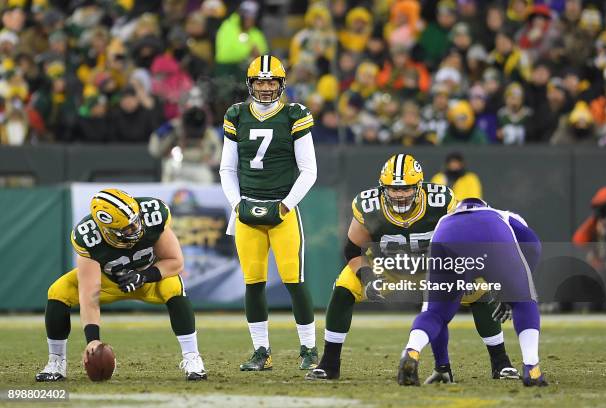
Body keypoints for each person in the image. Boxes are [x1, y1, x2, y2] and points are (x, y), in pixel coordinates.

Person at [306, 155, 518, 381]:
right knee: (344, 287)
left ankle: (501, 363)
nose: (400, 194)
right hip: (389, 268)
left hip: (435, 268)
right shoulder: (368, 206)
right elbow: (353, 251)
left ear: (419, 186)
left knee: (479, 290)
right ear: (382, 188)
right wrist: (368, 278)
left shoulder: (440, 201)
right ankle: (329, 364)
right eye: (393, 188)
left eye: (406, 188)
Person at [35, 189, 206, 382]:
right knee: (59, 292)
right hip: (107, 281)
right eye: (128, 228)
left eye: (136, 220)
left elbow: (175, 262)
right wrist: (93, 340)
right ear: (108, 230)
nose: (137, 227)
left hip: (147, 275)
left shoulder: (153, 213)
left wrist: (143, 276)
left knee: (174, 287)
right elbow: (89, 294)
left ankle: (192, 358)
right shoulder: (88, 237)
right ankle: (56, 362)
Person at [219, 55, 318, 371]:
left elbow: (309, 170)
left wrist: (287, 204)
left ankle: (309, 349)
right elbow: (227, 168)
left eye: (271, 81)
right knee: (253, 281)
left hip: (282, 207)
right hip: (247, 207)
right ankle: (261, 351)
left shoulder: (294, 115)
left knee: (294, 279)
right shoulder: (236, 115)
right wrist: (237, 204)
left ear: (281, 83)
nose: (265, 87)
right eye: (260, 81)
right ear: (250, 84)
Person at [397, 198, 547, 387]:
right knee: (525, 300)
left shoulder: (444, 220)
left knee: (435, 313)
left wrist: (442, 366)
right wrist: (514, 291)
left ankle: (412, 351)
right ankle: (532, 367)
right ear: (485, 206)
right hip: (493, 235)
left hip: (447, 237)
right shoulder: (503, 216)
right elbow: (533, 245)